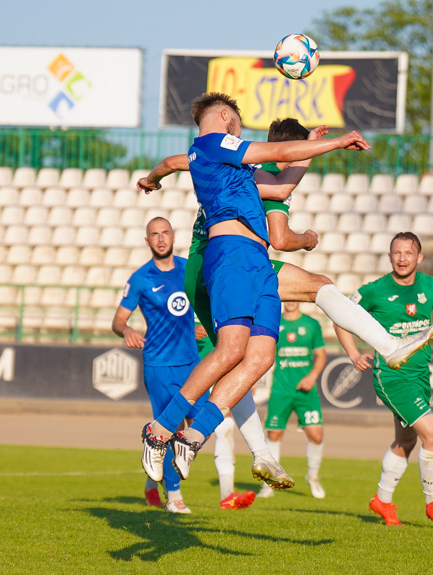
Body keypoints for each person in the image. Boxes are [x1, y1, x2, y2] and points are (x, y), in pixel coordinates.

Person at [138, 92, 373, 489]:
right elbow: (277, 159)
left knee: (260, 358)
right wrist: (335, 142)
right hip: (226, 256)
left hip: (255, 263)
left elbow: (173, 164)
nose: (241, 131)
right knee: (232, 349)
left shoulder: (212, 160)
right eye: (238, 124)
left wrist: (152, 179)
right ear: (226, 117)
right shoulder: (215, 142)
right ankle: (160, 429)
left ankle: (194, 437)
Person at [335, 232, 433, 527]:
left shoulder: (429, 286)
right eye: (397, 252)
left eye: (409, 253)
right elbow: (340, 315)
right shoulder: (375, 290)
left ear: (419, 257)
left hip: (420, 375)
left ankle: (382, 500)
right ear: (389, 256)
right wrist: (353, 353)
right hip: (392, 376)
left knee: (406, 440)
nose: (402, 258)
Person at [112, 217, 208, 514]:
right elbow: (118, 320)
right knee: (170, 430)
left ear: (173, 236)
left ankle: (153, 476)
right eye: (154, 234)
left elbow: (206, 301)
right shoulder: (141, 278)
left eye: (165, 232)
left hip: (191, 361)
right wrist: (127, 330)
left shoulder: (188, 268)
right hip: (159, 365)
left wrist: (199, 324)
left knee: (200, 426)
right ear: (147, 241)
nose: (161, 238)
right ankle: (174, 496)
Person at [260, 301, 327, 500]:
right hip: (280, 390)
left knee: (316, 435)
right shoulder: (273, 322)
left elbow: (321, 356)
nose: (290, 301)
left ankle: (313, 477)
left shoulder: (311, 324)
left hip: (306, 391)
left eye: (293, 297)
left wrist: (312, 376)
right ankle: (270, 483)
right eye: (286, 297)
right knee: (273, 435)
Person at [196, 319, 257, 511]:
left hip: (221, 372)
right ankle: (155, 485)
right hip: (191, 374)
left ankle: (227, 496)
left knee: (225, 427)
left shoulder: (224, 298)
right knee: (186, 436)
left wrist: (247, 375)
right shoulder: (184, 296)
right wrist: (189, 331)